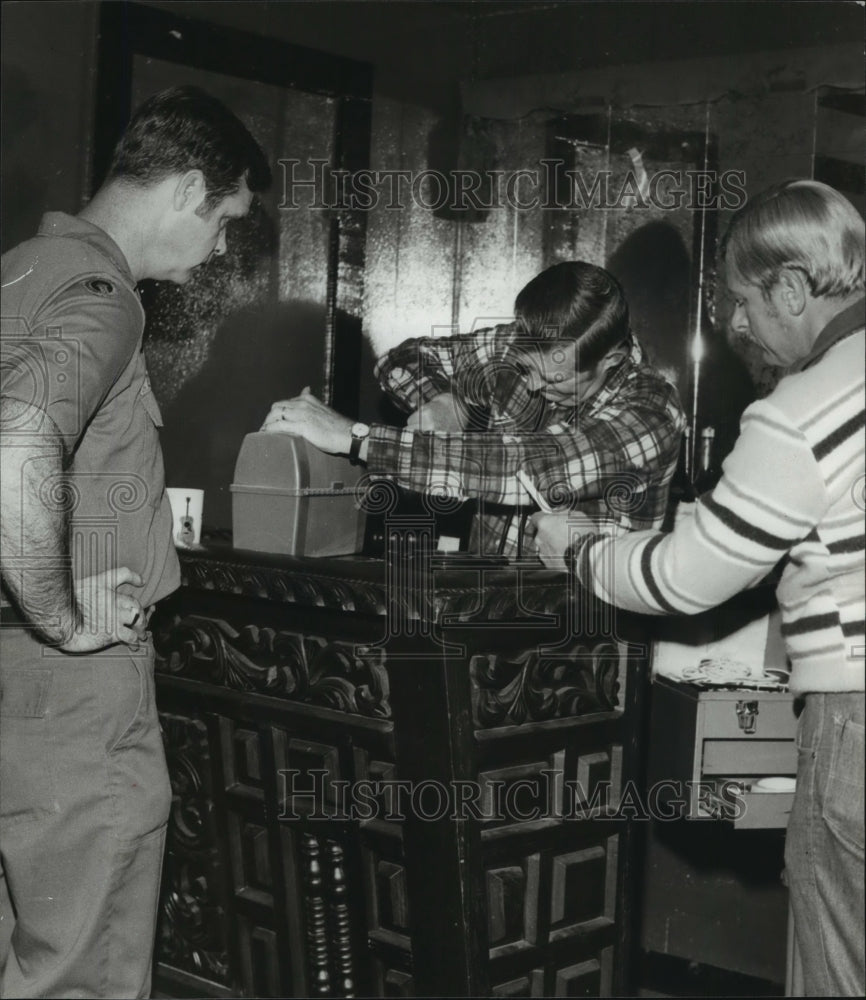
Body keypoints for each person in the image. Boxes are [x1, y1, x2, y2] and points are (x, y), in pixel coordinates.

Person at [532, 180, 865, 996]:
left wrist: (580, 547)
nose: (735, 325)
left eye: (745, 301)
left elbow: (685, 576)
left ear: (793, 286)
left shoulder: (807, 408)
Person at [0, 85, 270, 998]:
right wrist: (62, 617)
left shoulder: (21, 270)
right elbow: (17, 437)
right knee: (83, 969)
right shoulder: (101, 291)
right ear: (193, 187)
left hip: (10, 679)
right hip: (68, 691)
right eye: (226, 221)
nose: (221, 248)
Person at [262, 261, 685, 556]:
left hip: (587, 640)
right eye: (526, 368)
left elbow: (523, 468)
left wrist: (356, 439)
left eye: (555, 379)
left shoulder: (650, 411)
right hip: (487, 611)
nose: (533, 386)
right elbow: (400, 361)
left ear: (610, 359)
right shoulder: (520, 349)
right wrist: (443, 402)